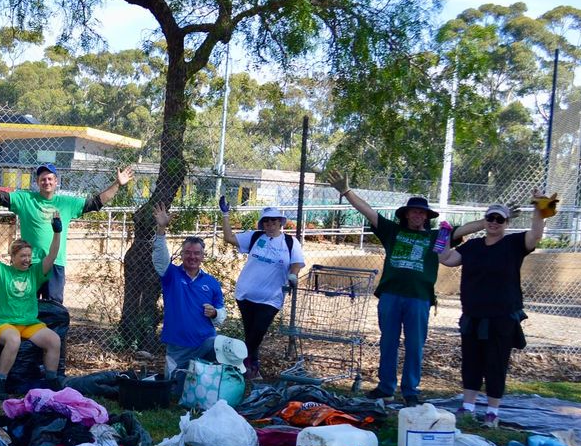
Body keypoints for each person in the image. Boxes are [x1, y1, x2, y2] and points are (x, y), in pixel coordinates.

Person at [327, 172, 484, 405]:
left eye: (422, 212)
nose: (417, 215)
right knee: (388, 341)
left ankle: (411, 390)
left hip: (419, 298)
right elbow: (367, 211)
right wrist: (346, 191)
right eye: (414, 211)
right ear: (406, 214)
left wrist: (492, 218)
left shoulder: (436, 236)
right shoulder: (392, 231)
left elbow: (465, 230)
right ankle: (385, 387)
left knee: (414, 344)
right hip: (391, 296)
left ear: (427, 216)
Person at [439, 196, 549, 425]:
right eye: (491, 217)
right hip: (473, 315)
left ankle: (492, 411)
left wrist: (539, 211)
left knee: (495, 363)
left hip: (501, 317)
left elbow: (535, 235)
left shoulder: (514, 244)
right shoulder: (473, 246)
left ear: (507, 223)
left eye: (500, 219)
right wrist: (443, 234)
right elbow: (446, 258)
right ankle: (467, 406)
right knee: (471, 361)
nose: (494, 222)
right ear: (485, 219)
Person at [0, 148, 134, 304]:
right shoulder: (25, 199)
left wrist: (117, 184)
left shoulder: (67, 203)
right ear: (37, 182)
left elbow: (95, 203)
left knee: (54, 309)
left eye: (50, 178)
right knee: (25, 305)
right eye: (43, 179)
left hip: (55, 263)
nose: (46, 182)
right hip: (30, 263)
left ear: (56, 181)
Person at [0, 208, 64, 399]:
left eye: (29, 255)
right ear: (13, 257)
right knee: (13, 340)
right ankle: (0, 381)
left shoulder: (35, 273)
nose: (27, 259)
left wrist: (57, 232)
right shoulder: (2, 272)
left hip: (29, 323)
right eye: (23, 256)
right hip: (5, 322)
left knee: (54, 340)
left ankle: (52, 381)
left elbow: (51, 256)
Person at [219, 197, 305, 380]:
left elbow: (297, 263)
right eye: (266, 220)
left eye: (274, 220)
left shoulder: (290, 243)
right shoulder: (255, 237)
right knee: (251, 332)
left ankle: (236, 362)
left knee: (258, 331)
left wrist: (293, 275)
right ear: (262, 224)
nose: (270, 224)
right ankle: (253, 369)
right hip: (246, 293)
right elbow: (228, 237)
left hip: (271, 298)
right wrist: (225, 214)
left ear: (280, 222)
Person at [152, 203, 229, 375]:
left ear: (203, 256)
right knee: (174, 389)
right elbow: (159, 259)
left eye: (196, 253)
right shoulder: (171, 274)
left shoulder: (211, 282)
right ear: (181, 255)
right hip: (178, 345)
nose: (192, 257)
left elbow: (222, 315)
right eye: (188, 252)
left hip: (206, 342)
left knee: (221, 349)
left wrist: (215, 313)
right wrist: (161, 228)